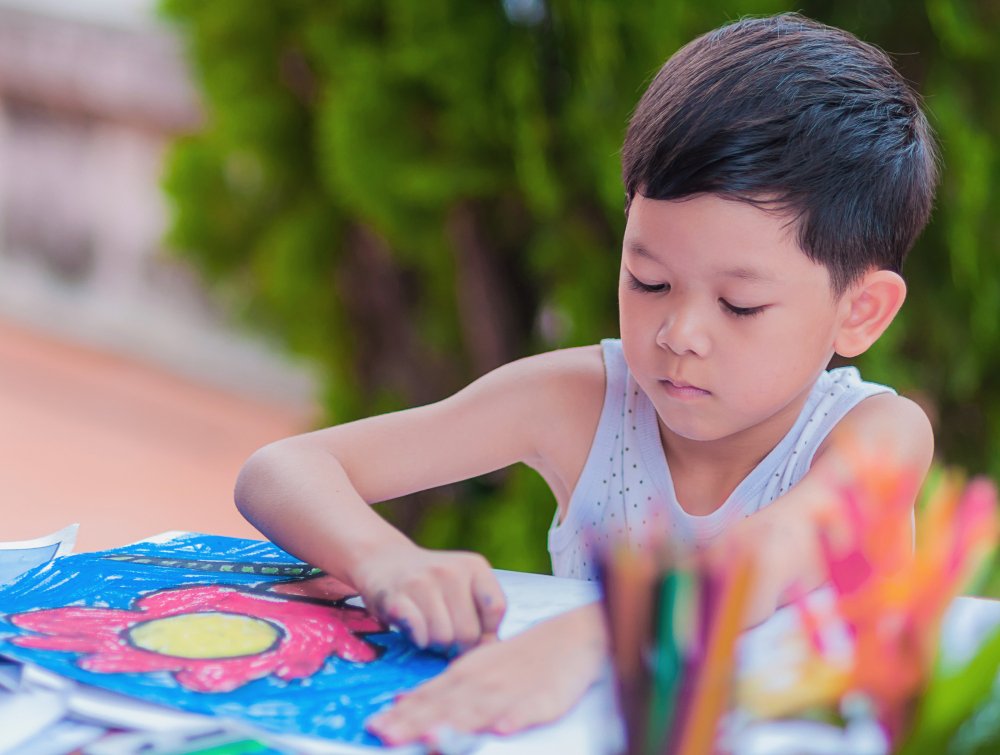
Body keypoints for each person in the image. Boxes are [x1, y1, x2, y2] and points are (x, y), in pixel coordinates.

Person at [234, 12, 938, 746]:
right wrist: (386, 562)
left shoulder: (876, 436)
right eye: (649, 279)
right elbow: (282, 468)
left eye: (739, 304)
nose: (679, 333)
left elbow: (767, 553)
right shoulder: (582, 402)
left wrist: (594, 632)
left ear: (862, 311)